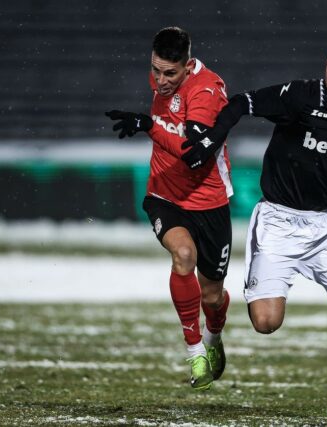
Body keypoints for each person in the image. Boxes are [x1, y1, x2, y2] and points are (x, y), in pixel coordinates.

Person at [180, 35, 327, 424]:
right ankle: (217, 328)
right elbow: (241, 103)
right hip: (279, 221)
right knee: (265, 323)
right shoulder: (300, 96)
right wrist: (213, 140)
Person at [105, 26, 234, 391]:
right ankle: (194, 352)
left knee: (212, 294)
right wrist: (150, 125)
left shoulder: (206, 91)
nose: (160, 81)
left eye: (169, 74)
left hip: (209, 202)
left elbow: (195, 154)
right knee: (182, 255)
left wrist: (148, 125)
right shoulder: (163, 78)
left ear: (188, 65)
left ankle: (213, 337)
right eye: (155, 70)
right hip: (163, 194)